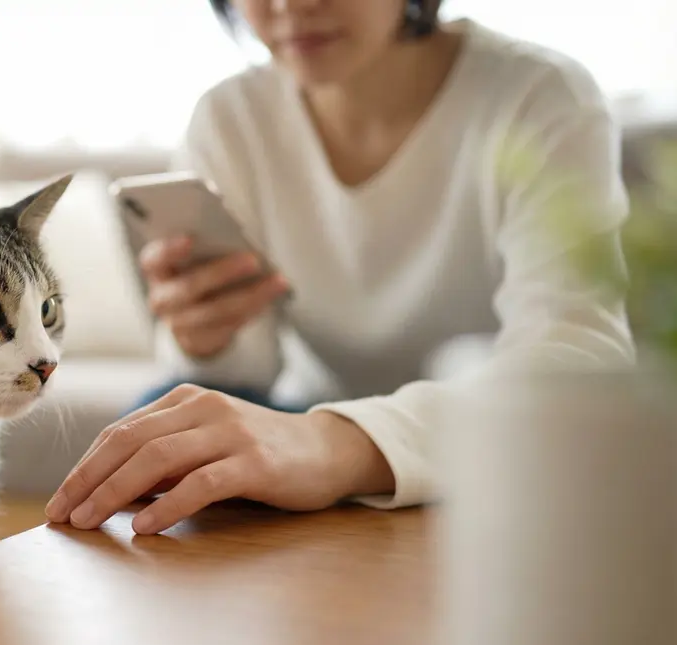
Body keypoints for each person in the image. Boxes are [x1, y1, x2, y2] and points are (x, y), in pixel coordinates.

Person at [45, 0, 634, 534]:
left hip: (477, 434)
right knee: (161, 424)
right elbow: (246, 373)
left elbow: (579, 359)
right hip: (299, 421)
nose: (290, 7)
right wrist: (206, 340)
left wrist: (342, 443)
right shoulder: (231, 116)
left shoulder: (538, 95)